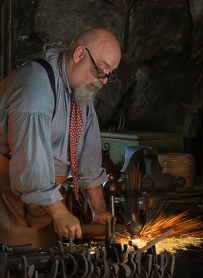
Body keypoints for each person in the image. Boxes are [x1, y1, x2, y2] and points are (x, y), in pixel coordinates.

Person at [0, 28, 121, 248]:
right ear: (80, 54)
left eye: (109, 74)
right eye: (101, 70)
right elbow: (30, 164)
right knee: (19, 264)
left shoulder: (80, 91)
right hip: (9, 194)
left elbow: (89, 158)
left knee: (49, 263)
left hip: (45, 197)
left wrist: (99, 210)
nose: (103, 80)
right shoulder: (35, 90)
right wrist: (60, 213)